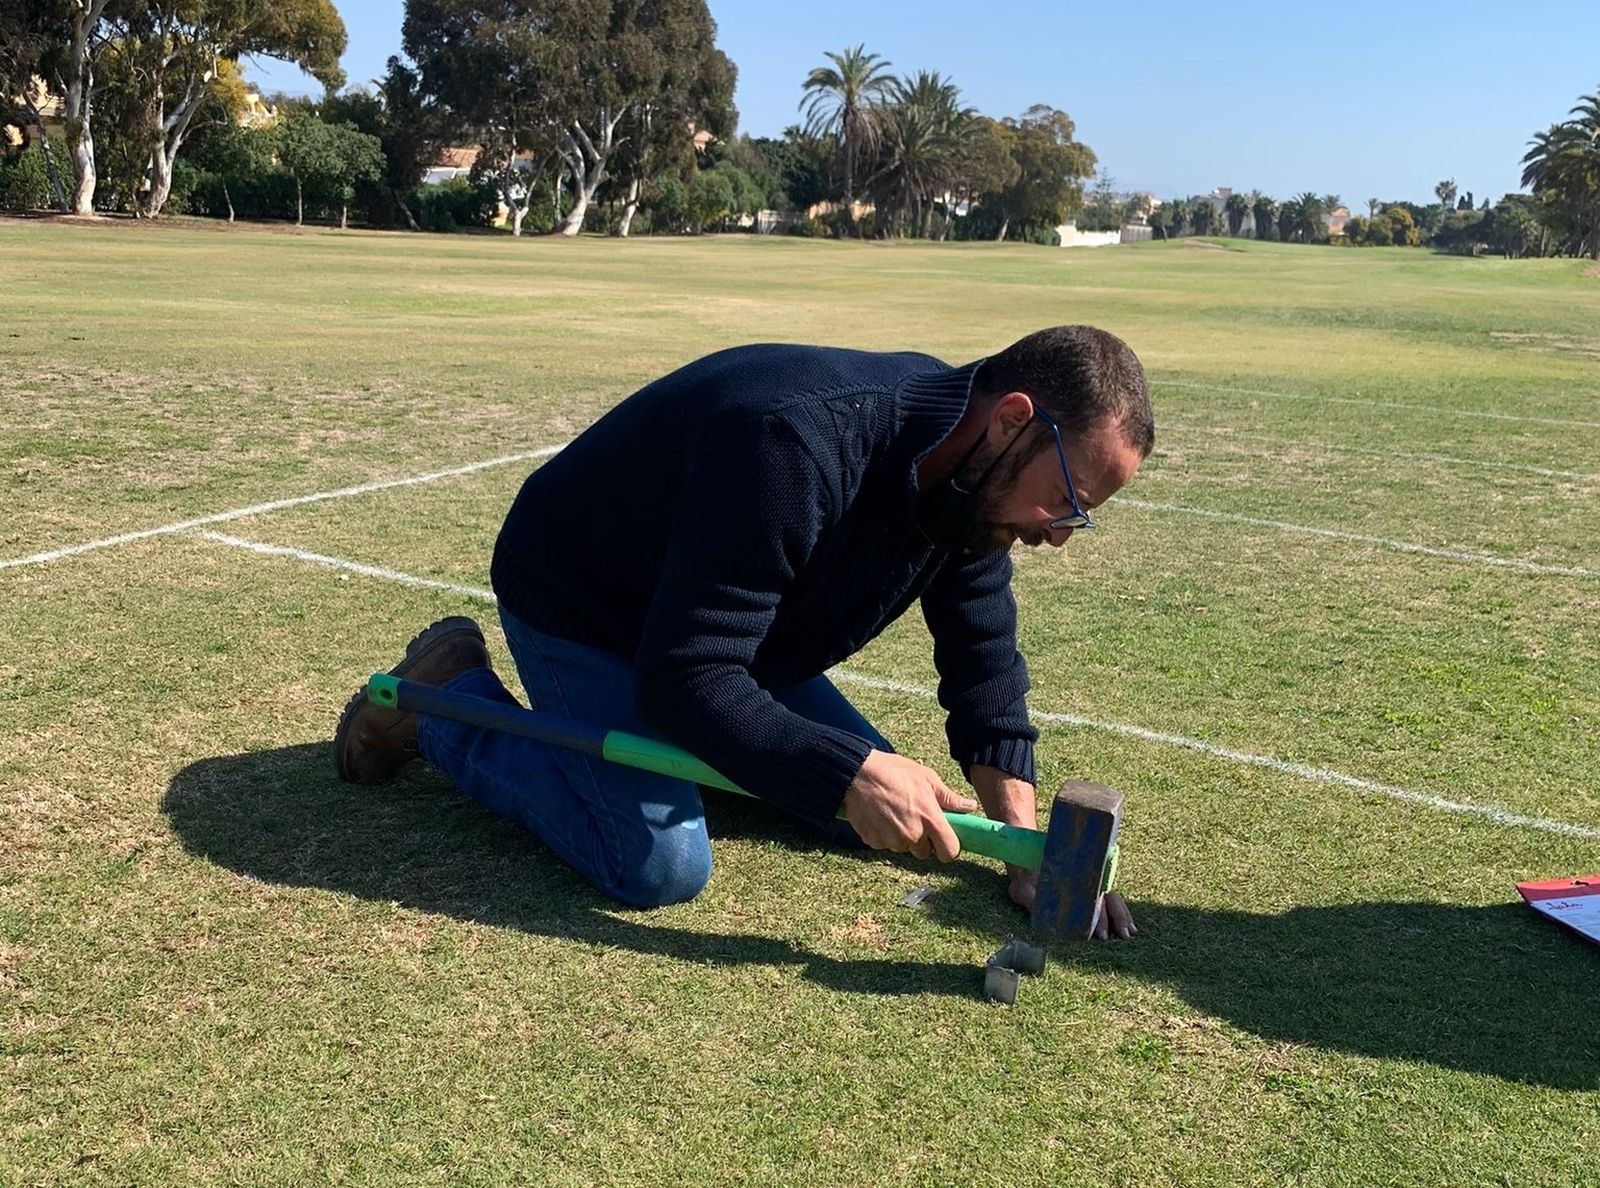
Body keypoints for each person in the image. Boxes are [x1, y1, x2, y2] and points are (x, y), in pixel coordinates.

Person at [335, 325, 1153, 938]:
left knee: (864, 816)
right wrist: (847, 772)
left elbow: (984, 667)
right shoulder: (796, 443)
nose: (1059, 533)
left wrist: (1027, 849)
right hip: (585, 598)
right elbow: (684, 677)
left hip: (717, 639)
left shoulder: (972, 497)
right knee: (658, 863)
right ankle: (443, 702)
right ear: (1012, 419)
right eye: (1066, 498)